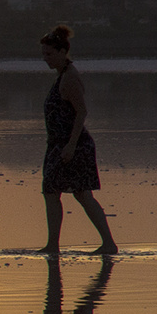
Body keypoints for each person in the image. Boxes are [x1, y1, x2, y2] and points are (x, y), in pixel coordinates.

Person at [38, 25, 116, 255]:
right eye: (43, 54)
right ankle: (53, 245)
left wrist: (71, 146)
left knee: (79, 193)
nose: (46, 59)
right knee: (53, 191)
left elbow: (81, 112)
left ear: (63, 52)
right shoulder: (63, 76)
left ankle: (108, 244)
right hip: (59, 145)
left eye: (50, 54)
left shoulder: (70, 78)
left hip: (73, 145)